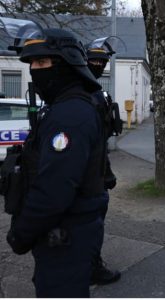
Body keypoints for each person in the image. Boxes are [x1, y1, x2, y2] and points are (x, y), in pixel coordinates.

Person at [5, 25, 107, 297]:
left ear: (64, 64)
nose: (35, 70)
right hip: (64, 233)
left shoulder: (70, 115)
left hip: (65, 235)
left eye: (42, 61)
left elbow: (55, 188)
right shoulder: (64, 107)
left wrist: (21, 233)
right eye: (32, 63)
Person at [86, 38, 122, 285]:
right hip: (89, 173)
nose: (99, 64)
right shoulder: (86, 93)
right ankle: (92, 267)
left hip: (96, 167)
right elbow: (94, 142)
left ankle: (87, 263)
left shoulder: (95, 91)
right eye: (94, 60)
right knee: (92, 221)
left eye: (103, 61)